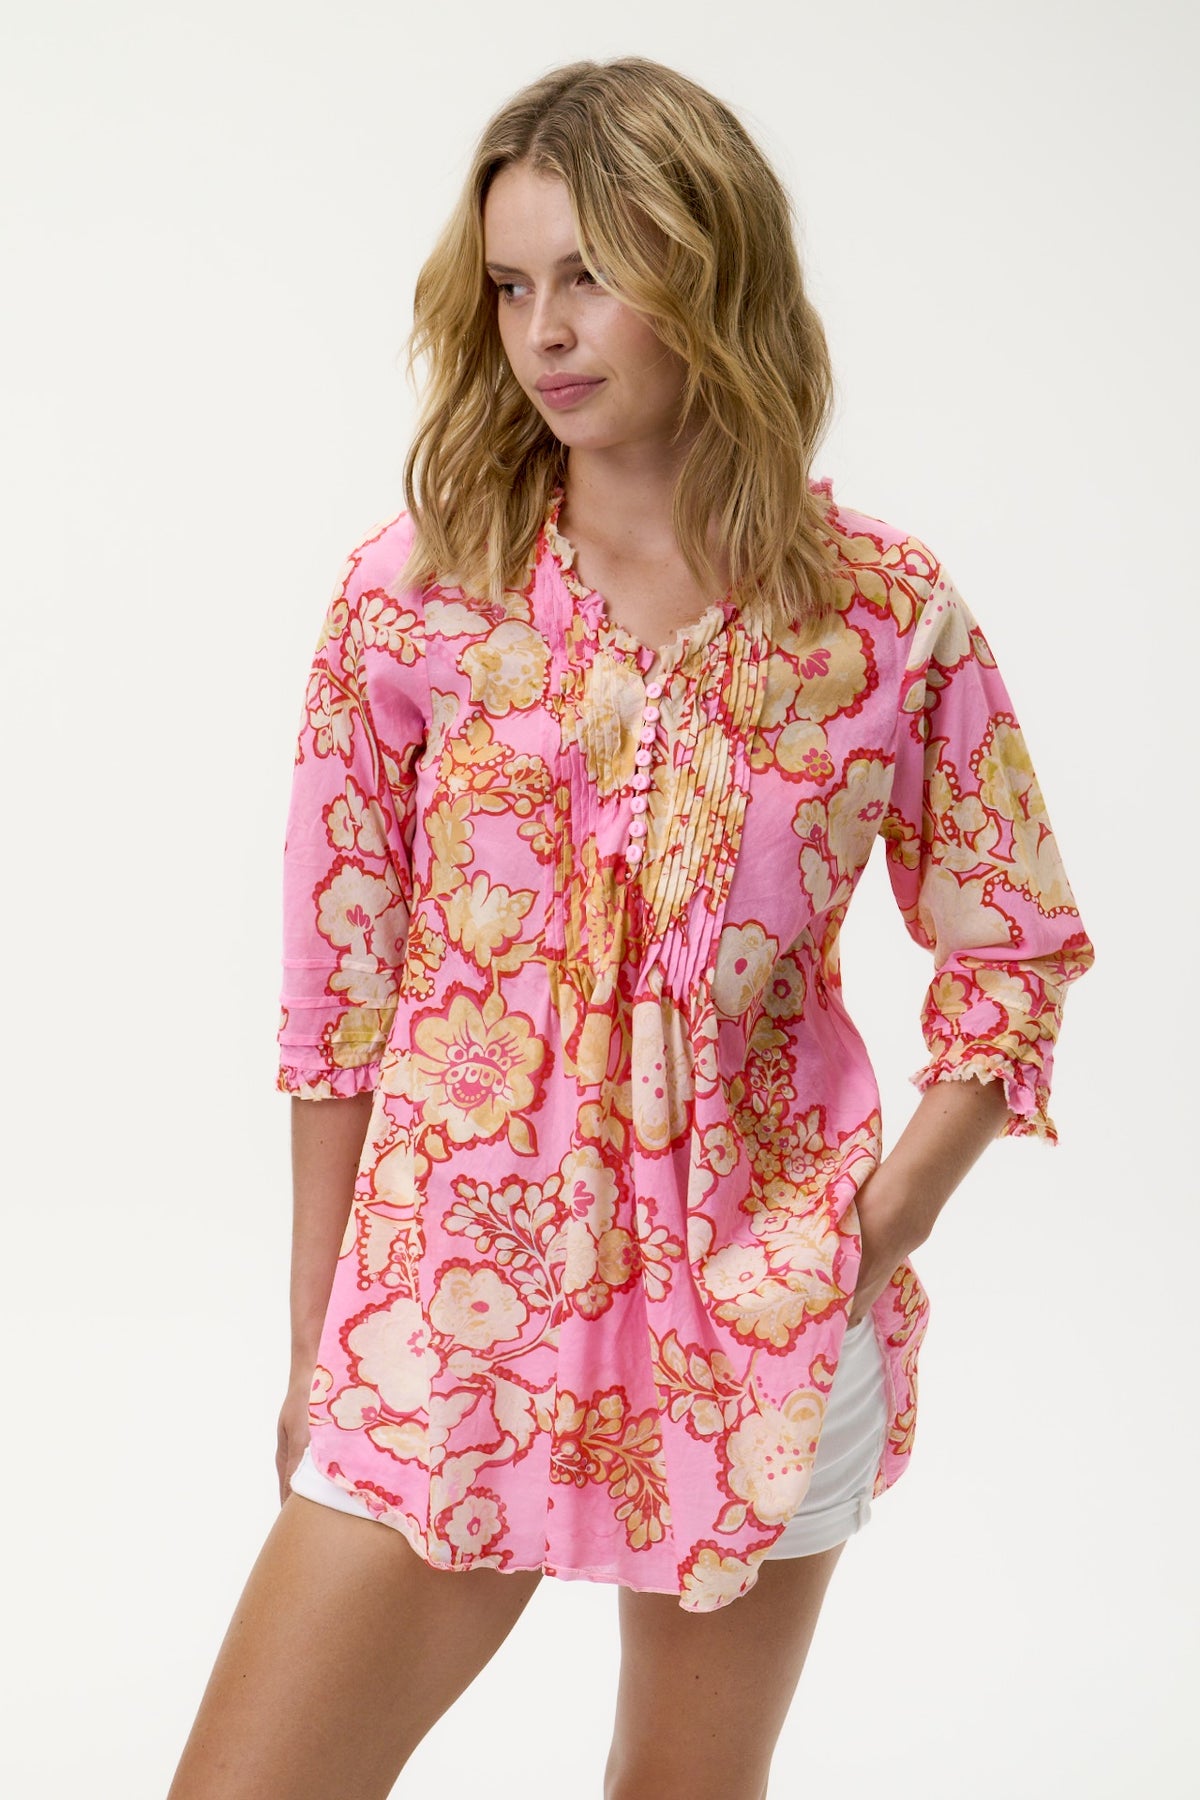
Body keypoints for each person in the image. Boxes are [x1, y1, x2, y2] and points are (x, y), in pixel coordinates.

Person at [167, 55, 1095, 1800]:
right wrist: (316, 1346)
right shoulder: (417, 597)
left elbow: (1014, 944)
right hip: (453, 1311)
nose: (544, 332)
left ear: (709, 268)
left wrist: (872, 1233)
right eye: (510, 285)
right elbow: (335, 996)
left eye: (590, 275)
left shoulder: (883, 616)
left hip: (759, 1318)